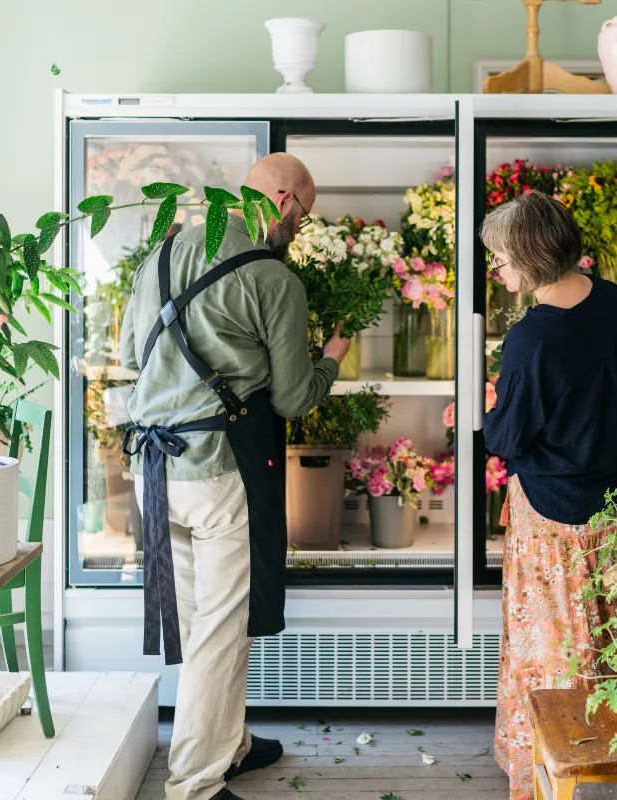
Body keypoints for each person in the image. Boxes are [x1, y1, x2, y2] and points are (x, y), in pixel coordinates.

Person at [119, 152, 351, 800]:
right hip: (219, 473)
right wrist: (330, 360)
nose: (299, 231)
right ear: (283, 200)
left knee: (198, 625)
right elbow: (293, 398)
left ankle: (232, 745)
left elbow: (125, 354)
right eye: (302, 216)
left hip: (152, 467)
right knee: (220, 631)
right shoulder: (276, 282)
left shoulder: (163, 255)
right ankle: (195, 784)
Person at [481, 191, 617, 800]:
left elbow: (507, 438)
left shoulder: (530, 340)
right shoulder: (613, 301)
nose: (496, 270)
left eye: (499, 258)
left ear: (528, 257)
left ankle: (552, 768)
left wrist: (490, 402)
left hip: (552, 514)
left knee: (552, 646)